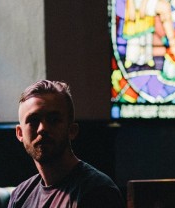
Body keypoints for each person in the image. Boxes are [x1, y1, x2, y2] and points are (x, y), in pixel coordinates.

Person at [8, 80, 124, 208]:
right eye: (33, 120)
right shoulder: (20, 196)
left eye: (54, 120)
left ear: (72, 130)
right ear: (20, 134)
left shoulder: (98, 191)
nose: (42, 128)